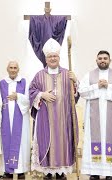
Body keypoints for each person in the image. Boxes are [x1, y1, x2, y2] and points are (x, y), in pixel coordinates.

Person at [29, 38, 78, 180]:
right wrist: (41, 94)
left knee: (63, 141)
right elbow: (31, 91)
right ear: (46, 58)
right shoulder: (39, 75)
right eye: (50, 56)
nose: (52, 58)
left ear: (59, 57)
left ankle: (61, 171)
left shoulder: (67, 74)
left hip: (64, 116)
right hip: (46, 117)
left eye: (55, 56)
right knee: (47, 141)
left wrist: (75, 81)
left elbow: (75, 94)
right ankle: (47, 172)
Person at [79, 50, 112, 180]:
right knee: (93, 141)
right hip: (93, 118)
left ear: (110, 60)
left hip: (111, 119)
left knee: (111, 142)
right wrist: (96, 86)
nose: (102, 60)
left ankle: (110, 173)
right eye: (100, 58)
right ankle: (94, 172)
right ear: (96, 60)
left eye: (105, 58)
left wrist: (109, 86)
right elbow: (81, 91)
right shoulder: (89, 76)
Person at [0, 61, 30, 179]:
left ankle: (21, 170)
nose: (13, 70)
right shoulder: (2, 83)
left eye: (15, 68)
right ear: (7, 69)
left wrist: (18, 96)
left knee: (21, 142)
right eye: (11, 68)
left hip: (21, 119)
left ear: (18, 69)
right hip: (6, 119)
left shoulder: (24, 82)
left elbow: (29, 99)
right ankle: (7, 171)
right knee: (6, 141)